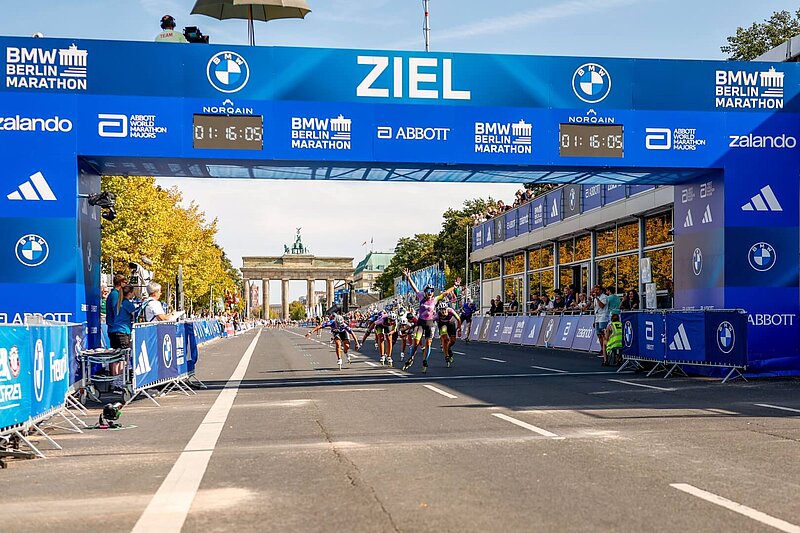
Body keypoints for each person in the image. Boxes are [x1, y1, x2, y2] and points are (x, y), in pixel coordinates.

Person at [402, 270, 460, 372]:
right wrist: (408, 277)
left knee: (428, 343)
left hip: (430, 323)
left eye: (431, 291)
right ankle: (411, 357)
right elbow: (414, 287)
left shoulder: (435, 299)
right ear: (425, 292)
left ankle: (425, 361)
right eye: (428, 291)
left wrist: (454, 287)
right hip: (421, 322)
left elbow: (446, 293)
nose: (430, 293)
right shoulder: (420, 296)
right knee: (416, 342)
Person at [108, 285, 136, 377]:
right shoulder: (128, 304)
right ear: (130, 293)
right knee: (124, 357)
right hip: (123, 332)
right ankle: (121, 379)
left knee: (115, 357)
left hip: (114, 331)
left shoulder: (119, 303)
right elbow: (135, 314)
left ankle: (114, 378)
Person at [435, 301, 462, 369]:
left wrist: (459, 329)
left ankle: (448, 347)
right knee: (445, 339)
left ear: (447, 309)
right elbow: (430, 321)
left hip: (451, 323)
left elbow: (458, 319)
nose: (443, 311)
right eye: (441, 310)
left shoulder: (451, 311)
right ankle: (446, 355)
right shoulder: (437, 315)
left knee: (453, 341)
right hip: (442, 325)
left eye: (444, 309)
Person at [591, 285, 610, 358]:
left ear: (601, 290)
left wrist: (597, 298)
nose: (596, 291)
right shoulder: (596, 298)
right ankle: (602, 349)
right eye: (595, 290)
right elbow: (595, 309)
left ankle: (606, 350)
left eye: (597, 290)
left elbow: (602, 306)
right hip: (597, 318)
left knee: (603, 334)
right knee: (599, 334)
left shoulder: (604, 297)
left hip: (603, 317)